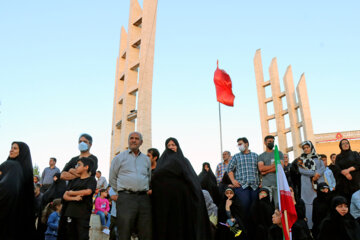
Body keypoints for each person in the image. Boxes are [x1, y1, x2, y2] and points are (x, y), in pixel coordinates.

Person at [151, 137, 211, 240]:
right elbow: (156, 178)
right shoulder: (162, 162)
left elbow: (192, 179)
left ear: (177, 146)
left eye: (173, 145)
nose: (171, 147)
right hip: (166, 202)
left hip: (183, 201)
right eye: (168, 145)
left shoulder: (184, 161)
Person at [109, 132, 152, 240]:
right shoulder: (119, 158)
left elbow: (148, 177)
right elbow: (112, 178)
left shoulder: (146, 160)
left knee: (145, 231)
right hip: (126, 199)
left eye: (137, 139)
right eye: (131, 138)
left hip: (143, 199)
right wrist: (121, 192)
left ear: (141, 142)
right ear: (128, 141)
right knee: (124, 231)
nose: (134, 140)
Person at [0, 142, 36, 239]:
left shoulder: (10, 165)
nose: (11, 150)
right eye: (11, 147)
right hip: (20, 220)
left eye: (15, 148)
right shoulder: (24, 170)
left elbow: (7, 189)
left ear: (22, 152)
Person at [57, 157, 97, 240]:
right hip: (70, 212)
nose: (76, 167)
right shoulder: (74, 181)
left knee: (82, 236)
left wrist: (72, 193)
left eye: (79, 165)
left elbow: (88, 191)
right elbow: (65, 195)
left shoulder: (91, 180)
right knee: (70, 236)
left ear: (86, 167)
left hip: (83, 214)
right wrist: (74, 198)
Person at [228, 137, 260, 234]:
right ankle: (243, 232)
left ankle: (254, 232)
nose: (239, 146)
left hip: (255, 186)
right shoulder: (236, 156)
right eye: (238, 144)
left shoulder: (255, 156)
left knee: (254, 210)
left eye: (240, 143)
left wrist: (261, 181)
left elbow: (260, 170)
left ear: (246, 144)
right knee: (243, 209)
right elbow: (229, 169)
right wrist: (233, 181)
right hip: (242, 187)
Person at [297, 140, 325, 230]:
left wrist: (317, 175)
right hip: (307, 184)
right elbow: (301, 170)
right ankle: (310, 227)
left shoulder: (318, 157)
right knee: (308, 204)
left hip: (318, 182)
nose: (306, 149)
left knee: (319, 202)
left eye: (307, 147)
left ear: (311, 147)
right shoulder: (300, 159)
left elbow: (323, 167)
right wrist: (313, 174)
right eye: (304, 148)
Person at [258, 135, 284, 206]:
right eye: (269, 141)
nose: (271, 143)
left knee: (278, 205)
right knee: (266, 206)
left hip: (277, 184)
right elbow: (261, 168)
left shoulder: (279, 153)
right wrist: (275, 165)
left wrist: (266, 171)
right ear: (265, 143)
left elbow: (280, 167)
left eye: (273, 141)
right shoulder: (261, 156)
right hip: (266, 185)